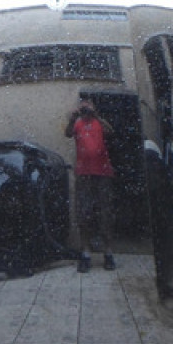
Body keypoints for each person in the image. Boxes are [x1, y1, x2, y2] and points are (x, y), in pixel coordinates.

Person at [65, 98, 116, 272]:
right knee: (83, 213)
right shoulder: (77, 123)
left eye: (89, 105)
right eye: (83, 106)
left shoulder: (99, 122)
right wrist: (73, 118)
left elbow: (111, 132)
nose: (86, 109)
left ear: (94, 108)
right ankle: (85, 253)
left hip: (103, 173)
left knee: (105, 212)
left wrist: (97, 116)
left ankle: (108, 253)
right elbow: (67, 133)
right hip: (83, 174)